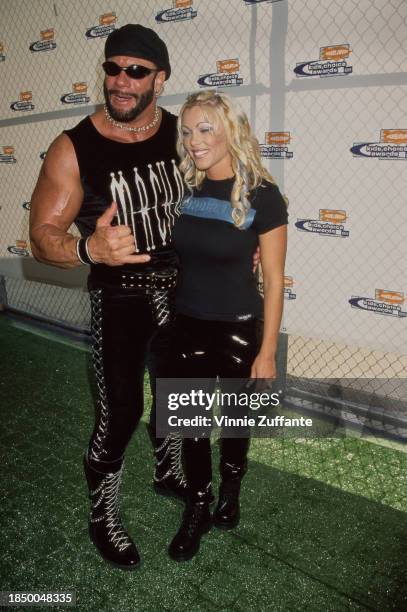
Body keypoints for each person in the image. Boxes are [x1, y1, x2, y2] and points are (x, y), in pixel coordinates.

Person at [29, 24, 189, 571]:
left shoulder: (187, 132)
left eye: (136, 71)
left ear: (160, 79)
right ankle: (103, 513)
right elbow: (42, 238)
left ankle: (169, 470)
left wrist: (249, 243)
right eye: (112, 68)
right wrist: (89, 249)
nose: (121, 82)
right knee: (121, 412)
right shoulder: (73, 147)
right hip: (119, 297)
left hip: (185, 291)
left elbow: (227, 192)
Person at [166, 90, 288, 562]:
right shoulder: (186, 190)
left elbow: (275, 281)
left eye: (206, 129)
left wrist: (267, 351)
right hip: (186, 325)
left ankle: (230, 489)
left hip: (240, 328)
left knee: (235, 422)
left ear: (230, 132)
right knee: (190, 425)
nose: (194, 140)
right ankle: (197, 504)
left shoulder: (263, 195)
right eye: (188, 130)